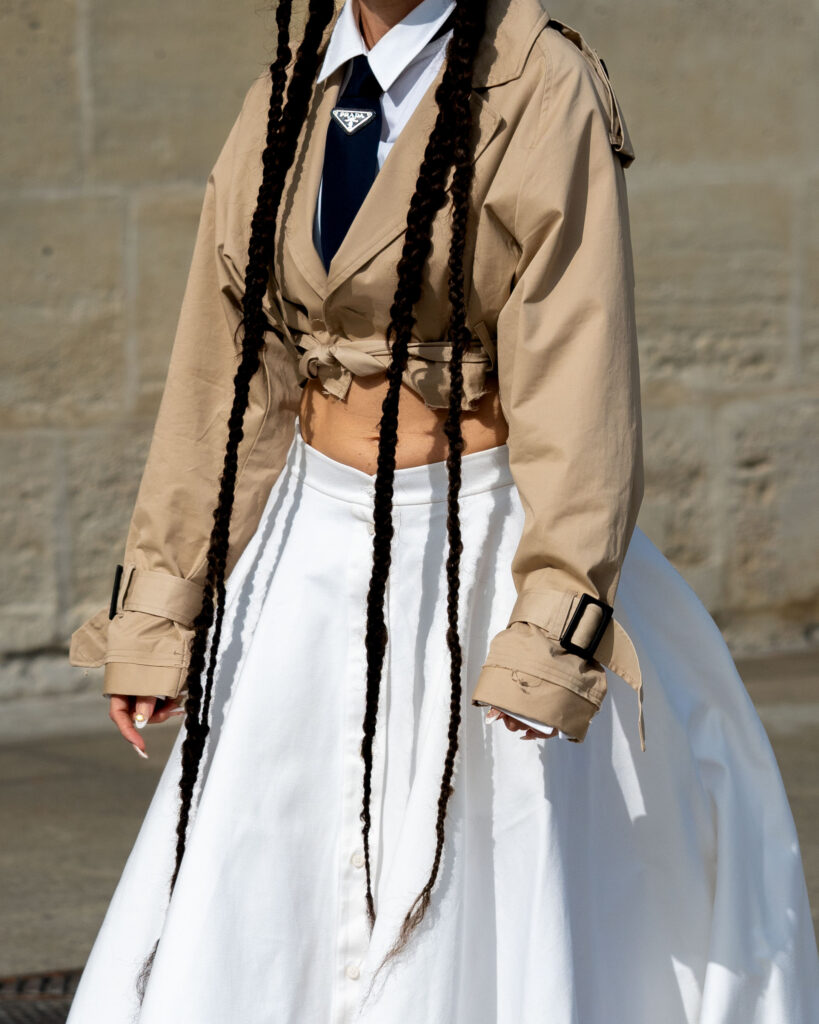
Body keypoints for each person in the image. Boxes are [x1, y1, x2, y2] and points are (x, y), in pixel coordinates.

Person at [66, 0, 819, 1021]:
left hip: (482, 554)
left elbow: (578, 383)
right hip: (305, 552)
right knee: (258, 892)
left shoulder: (539, 85)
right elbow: (227, 378)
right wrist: (163, 609)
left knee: (476, 894)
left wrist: (549, 632)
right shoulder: (286, 96)